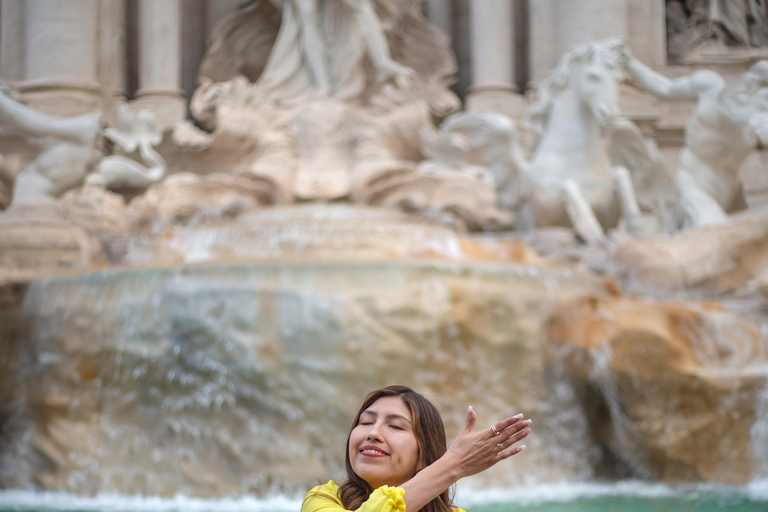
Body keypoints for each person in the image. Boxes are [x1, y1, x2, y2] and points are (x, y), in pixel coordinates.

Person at [301, 385, 532, 512]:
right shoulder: (322, 499)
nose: (373, 433)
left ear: (425, 454)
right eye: (366, 422)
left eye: (395, 426)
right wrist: (452, 466)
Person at [621, 46, 768, 227]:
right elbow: (665, 89)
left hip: (730, 195)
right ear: (752, 86)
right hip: (693, 185)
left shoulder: (761, 123)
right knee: (710, 234)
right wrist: (629, 62)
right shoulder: (709, 85)